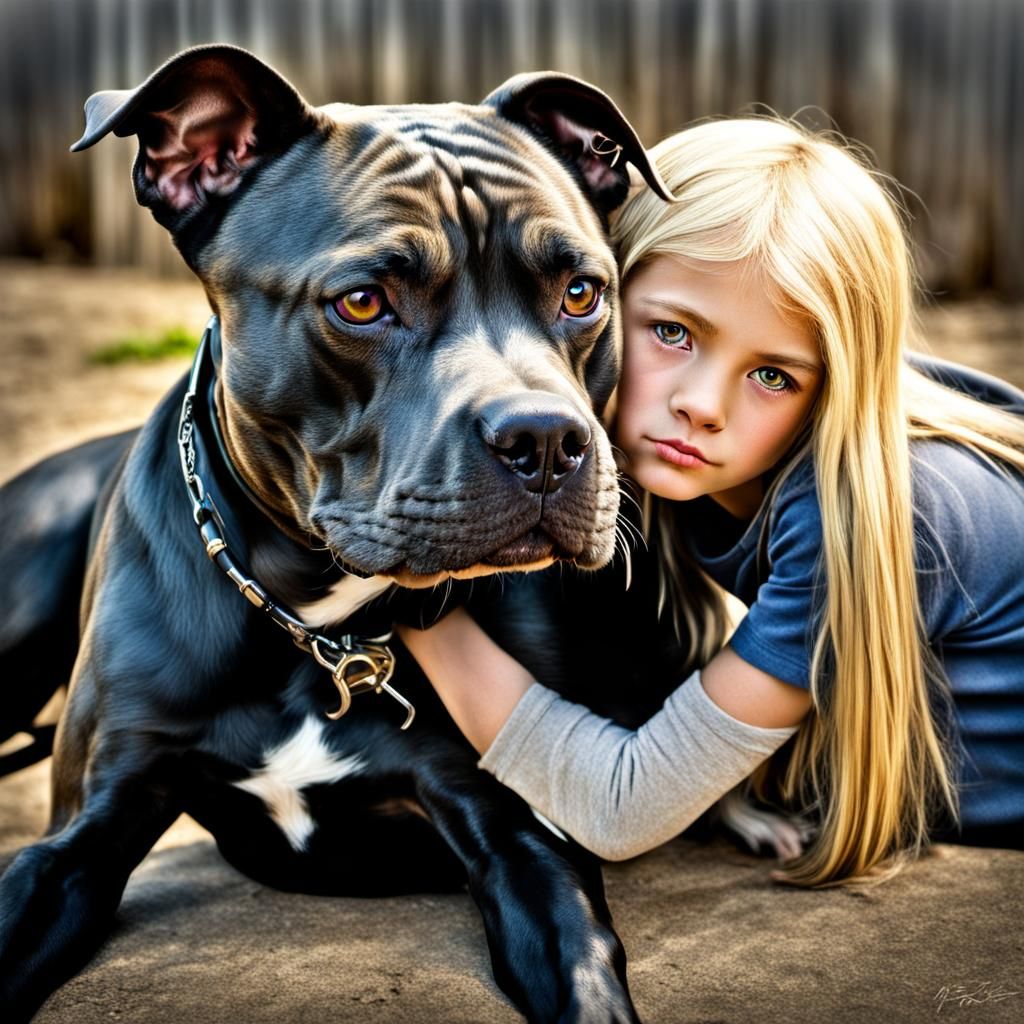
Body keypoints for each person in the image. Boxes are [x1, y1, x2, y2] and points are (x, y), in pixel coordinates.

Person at [398, 117, 1024, 886]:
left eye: (773, 375)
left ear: (837, 384)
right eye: (671, 331)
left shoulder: (877, 508)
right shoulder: (704, 456)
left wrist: (412, 603)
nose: (702, 405)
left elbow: (621, 809)